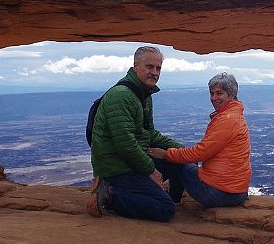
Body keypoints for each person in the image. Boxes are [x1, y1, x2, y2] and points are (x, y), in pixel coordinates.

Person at [87, 46, 183, 221]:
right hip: (116, 166)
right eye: (149, 67)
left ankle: (166, 198)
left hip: (130, 160)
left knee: (180, 162)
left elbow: (150, 133)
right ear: (135, 66)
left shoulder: (143, 95)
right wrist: (151, 170)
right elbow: (126, 145)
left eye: (158, 68)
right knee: (165, 210)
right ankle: (109, 194)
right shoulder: (122, 96)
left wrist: (182, 150)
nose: (154, 72)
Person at [148, 72, 251, 208]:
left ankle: (171, 202)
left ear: (231, 94)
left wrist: (166, 154)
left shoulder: (228, 119)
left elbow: (200, 153)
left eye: (219, 93)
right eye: (212, 93)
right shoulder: (235, 115)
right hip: (236, 191)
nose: (214, 98)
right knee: (182, 157)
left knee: (178, 161)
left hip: (219, 193)